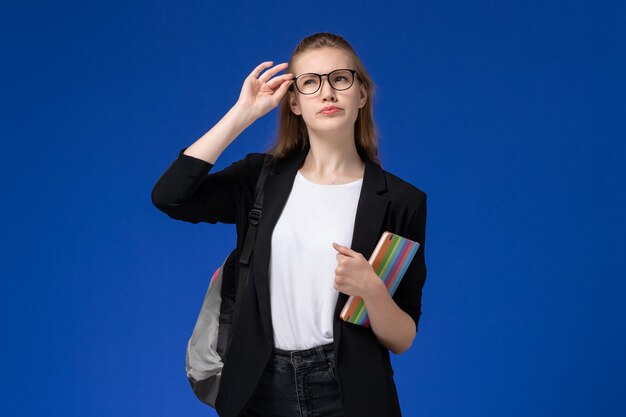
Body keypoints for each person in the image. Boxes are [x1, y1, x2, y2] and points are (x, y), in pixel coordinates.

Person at [152, 32, 427, 417]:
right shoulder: (260, 179)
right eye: (311, 82)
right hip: (259, 385)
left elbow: (403, 337)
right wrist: (242, 114)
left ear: (361, 94)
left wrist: (372, 291)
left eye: (341, 79)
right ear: (293, 101)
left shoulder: (400, 201)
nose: (327, 92)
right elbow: (170, 197)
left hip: (349, 390)